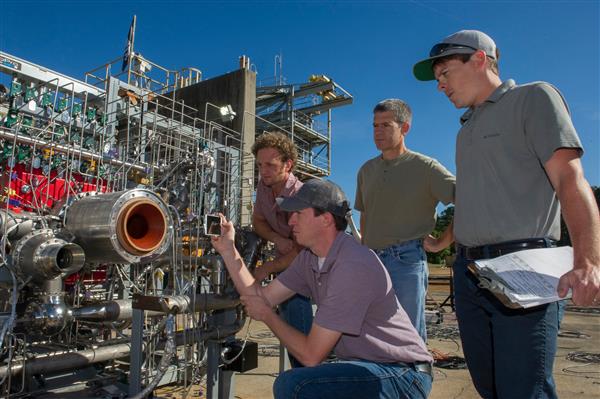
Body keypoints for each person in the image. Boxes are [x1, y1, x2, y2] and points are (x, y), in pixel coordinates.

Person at [413, 30, 600, 398]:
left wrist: (588, 259)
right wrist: (441, 242)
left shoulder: (533, 98)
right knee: (489, 387)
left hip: (524, 267)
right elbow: (470, 201)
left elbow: (569, 178)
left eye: (445, 73)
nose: (440, 85)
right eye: (437, 79)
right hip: (469, 276)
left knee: (522, 390)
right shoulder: (464, 132)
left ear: (480, 59)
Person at [211, 179, 433, 399]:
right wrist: (228, 250)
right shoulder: (309, 258)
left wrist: (268, 316)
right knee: (300, 382)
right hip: (367, 367)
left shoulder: (353, 264)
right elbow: (261, 298)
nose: (290, 221)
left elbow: (311, 355)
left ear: (326, 219)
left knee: (295, 385)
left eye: (298, 213)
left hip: (403, 374)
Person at [355, 98, 455, 341]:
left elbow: (467, 201)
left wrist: (442, 242)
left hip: (407, 260)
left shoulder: (426, 167)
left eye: (386, 125)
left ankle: (417, 379)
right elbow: (365, 215)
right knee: (374, 333)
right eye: (375, 126)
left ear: (405, 128)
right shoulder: (366, 171)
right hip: (373, 262)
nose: (378, 132)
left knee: (408, 335)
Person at [250, 131, 313, 368]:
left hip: (309, 266)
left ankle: (306, 377)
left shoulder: (301, 194)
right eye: (259, 165)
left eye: (270, 165)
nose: (263, 171)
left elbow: (303, 249)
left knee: (297, 319)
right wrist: (277, 238)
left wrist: (267, 268)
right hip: (286, 265)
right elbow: (258, 222)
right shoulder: (264, 186)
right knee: (288, 323)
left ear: (288, 164)